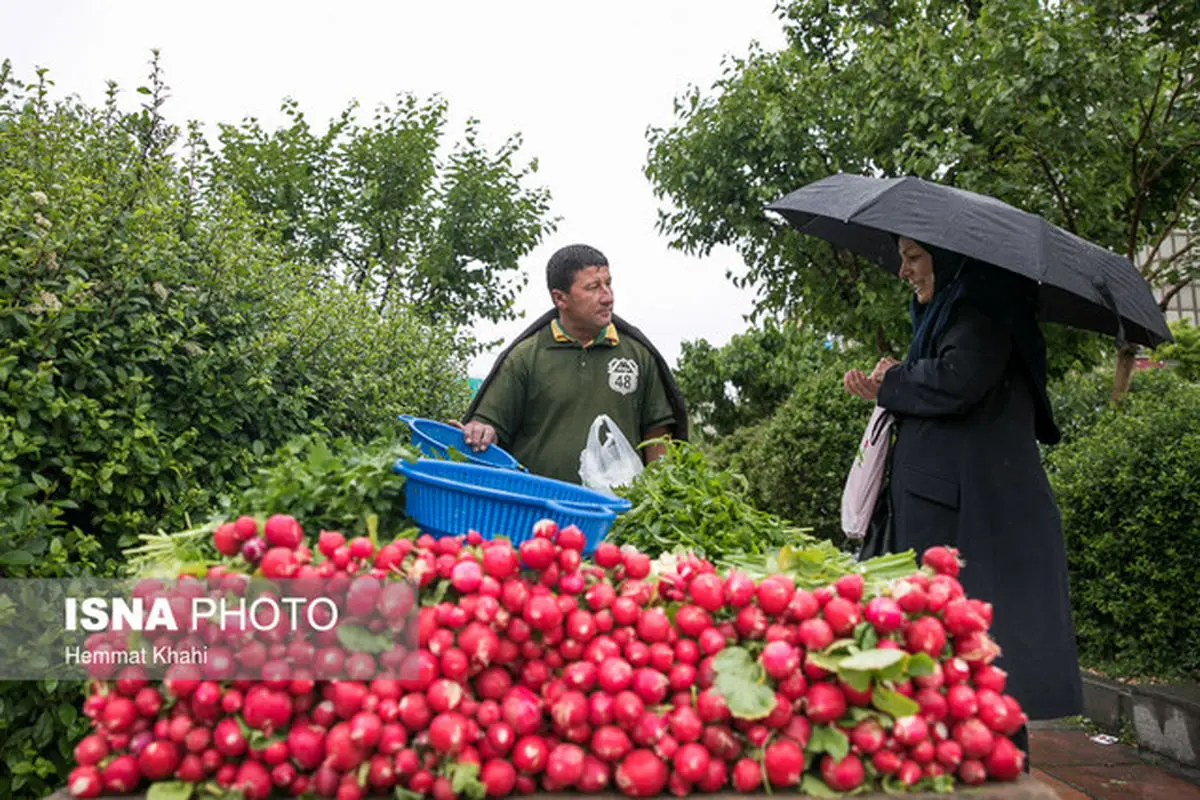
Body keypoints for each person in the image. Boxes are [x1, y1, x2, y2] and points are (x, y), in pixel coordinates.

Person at [843, 236, 1083, 768]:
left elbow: (958, 379)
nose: (903, 271)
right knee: (953, 643)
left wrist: (894, 380)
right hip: (953, 505)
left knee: (977, 642)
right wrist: (896, 376)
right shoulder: (958, 307)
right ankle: (958, 754)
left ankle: (987, 759)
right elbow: (943, 373)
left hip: (974, 511)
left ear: (948, 256)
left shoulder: (982, 306)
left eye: (913, 257)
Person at [456, 244, 688, 485]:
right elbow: (488, 425)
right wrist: (479, 432)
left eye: (608, 283)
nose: (607, 297)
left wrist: (661, 496)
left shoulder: (637, 356)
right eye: (593, 287)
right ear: (560, 298)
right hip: (539, 513)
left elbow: (657, 438)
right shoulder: (526, 357)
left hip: (616, 515)